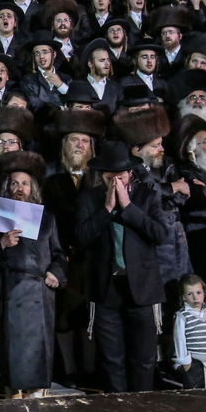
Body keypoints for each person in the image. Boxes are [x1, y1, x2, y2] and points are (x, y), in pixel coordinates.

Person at [74, 141, 173, 393]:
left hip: (141, 289)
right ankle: (117, 409)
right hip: (106, 289)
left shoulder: (148, 197)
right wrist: (107, 209)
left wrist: (128, 207)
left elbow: (160, 234)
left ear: (130, 173)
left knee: (143, 359)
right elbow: (81, 237)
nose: (115, 182)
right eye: (110, 178)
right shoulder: (89, 198)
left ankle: (141, 407)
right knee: (111, 359)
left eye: (120, 177)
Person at [0, 150, 65, 397]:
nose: (19, 188)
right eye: (14, 182)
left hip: (39, 293)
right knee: (11, 355)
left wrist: (56, 273)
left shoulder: (47, 218)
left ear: (32, 187)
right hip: (9, 293)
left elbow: (58, 254)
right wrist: (1, 244)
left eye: (24, 183)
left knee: (37, 353)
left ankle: (37, 392)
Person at [171, 275, 206, 389]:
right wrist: (185, 361)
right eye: (190, 294)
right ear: (183, 297)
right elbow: (179, 339)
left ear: (204, 294)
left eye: (198, 292)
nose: (195, 297)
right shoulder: (182, 315)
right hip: (193, 363)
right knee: (194, 392)